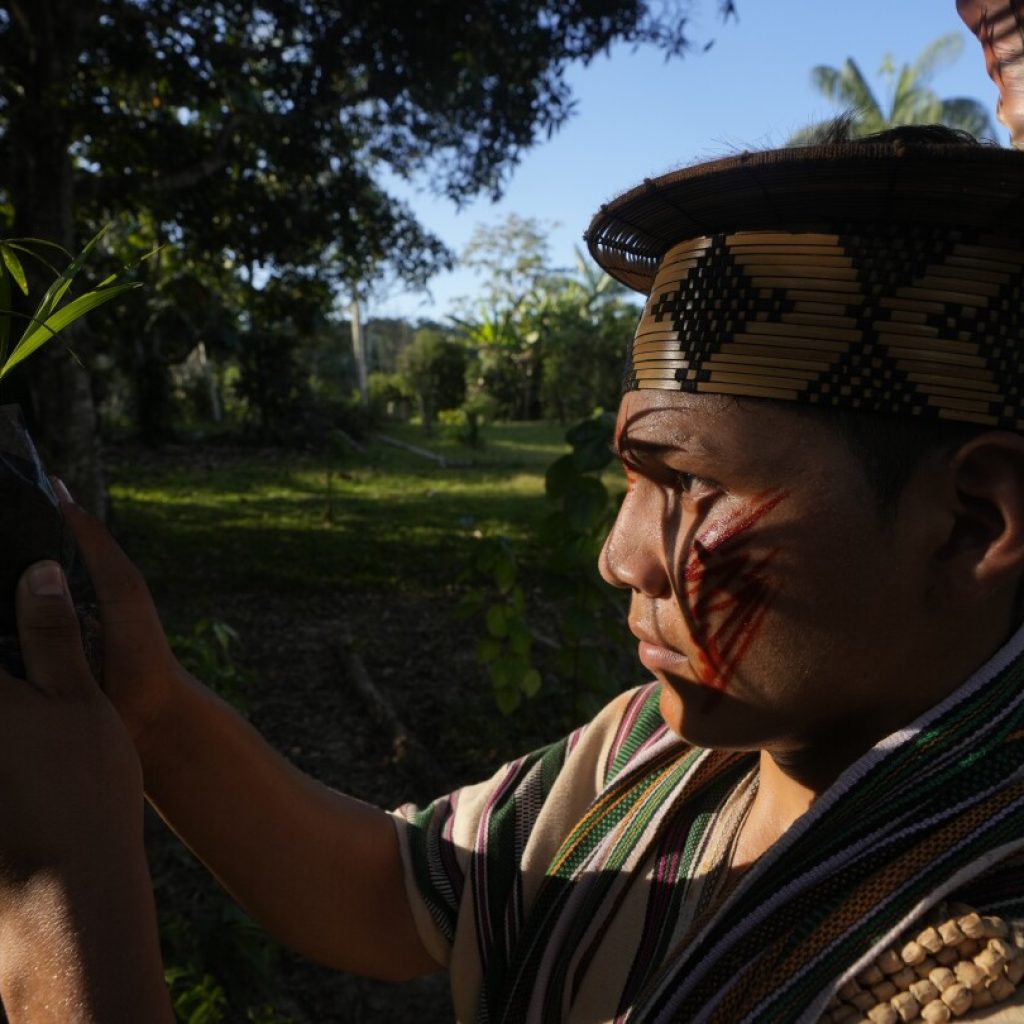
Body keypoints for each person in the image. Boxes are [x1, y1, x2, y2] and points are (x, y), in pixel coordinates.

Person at [4, 8, 1024, 1024]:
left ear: (971, 523)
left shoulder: (974, 968)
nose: (618, 556)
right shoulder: (657, 760)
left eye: (691, 485)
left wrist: (61, 894)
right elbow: (384, 888)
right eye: (632, 476)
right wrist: (149, 707)